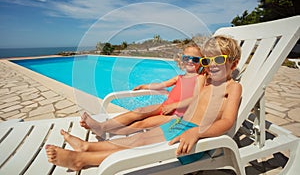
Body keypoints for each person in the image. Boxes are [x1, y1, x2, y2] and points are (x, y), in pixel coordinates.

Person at [45, 35, 242, 171]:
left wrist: (196, 132)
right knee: (137, 140)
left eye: (219, 59)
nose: (212, 64)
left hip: (196, 140)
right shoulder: (206, 81)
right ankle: (87, 147)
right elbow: (194, 102)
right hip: (180, 126)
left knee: (140, 148)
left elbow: (227, 121)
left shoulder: (233, 88)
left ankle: (80, 160)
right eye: (207, 61)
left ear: (233, 63)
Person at [80, 42, 205, 136]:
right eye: (186, 58)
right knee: (139, 111)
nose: (190, 61)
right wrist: (145, 86)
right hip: (164, 106)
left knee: (141, 124)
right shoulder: (179, 77)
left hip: (176, 115)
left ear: (201, 62)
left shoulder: (200, 78)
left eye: (195, 59)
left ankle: (110, 132)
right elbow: (162, 85)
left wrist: (174, 106)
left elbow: (196, 98)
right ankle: (102, 126)